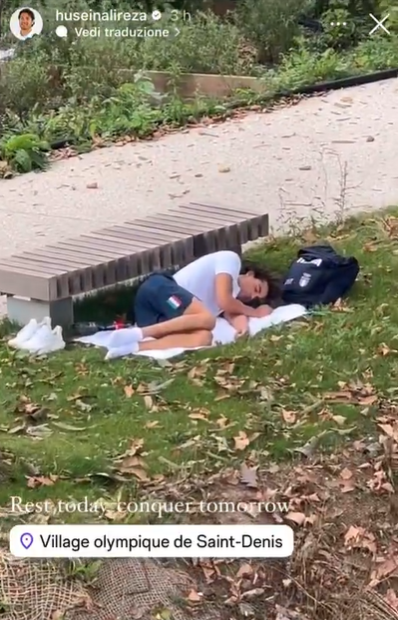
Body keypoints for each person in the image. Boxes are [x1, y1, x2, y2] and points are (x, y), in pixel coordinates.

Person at [106, 250, 280, 357]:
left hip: (162, 318)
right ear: (250, 274)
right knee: (208, 320)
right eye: (256, 289)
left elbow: (233, 313)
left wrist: (244, 330)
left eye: (256, 300)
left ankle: (133, 347)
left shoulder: (232, 300)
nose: (251, 296)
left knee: (204, 337)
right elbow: (225, 301)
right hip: (160, 291)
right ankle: (138, 334)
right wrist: (255, 312)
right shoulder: (230, 261)